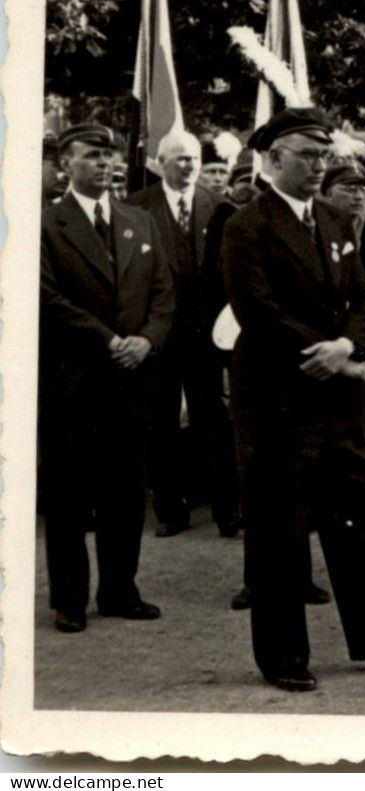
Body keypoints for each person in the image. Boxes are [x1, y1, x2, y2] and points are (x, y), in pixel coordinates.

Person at [221, 107, 365, 691]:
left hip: (339, 403)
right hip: (279, 402)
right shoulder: (245, 226)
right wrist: (328, 354)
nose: (318, 164)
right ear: (273, 159)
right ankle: (283, 657)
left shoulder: (331, 218)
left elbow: (362, 299)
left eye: (323, 155)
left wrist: (349, 344)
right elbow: (257, 311)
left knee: (361, 530)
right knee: (280, 534)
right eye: (307, 154)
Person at [40, 123, 175, 634]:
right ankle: (69, 598)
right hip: (74, 379)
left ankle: (120, 590)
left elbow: (164, 290)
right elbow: (46, 297)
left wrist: (149, 338)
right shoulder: (46, 224)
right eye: (92, 156)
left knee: (125, 490)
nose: (105, 165)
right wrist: (107, 340)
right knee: (70, 495)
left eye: (110, 156)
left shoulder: (139, 221)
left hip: (132, 380)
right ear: (65, 164)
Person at [129, 130, 226, 538]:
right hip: (160, 335)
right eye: (181, 160)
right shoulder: (136, 208)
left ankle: (228, 509)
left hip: (206, 335)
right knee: (161, 422)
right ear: (162, 163)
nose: (189, 167)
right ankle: (171, 510)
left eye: (194, 160)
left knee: (215, 421)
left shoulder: (219, 207)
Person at [319, 162, 365, 241]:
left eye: (364, 190)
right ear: (329, 192)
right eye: (350, 189)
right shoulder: (316, 227)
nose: (359, 196)